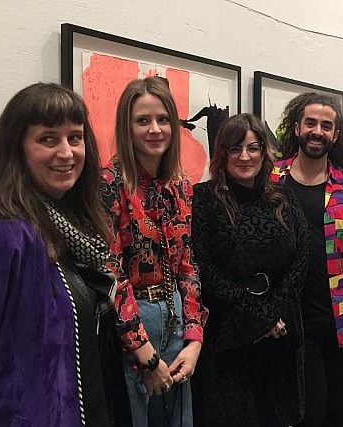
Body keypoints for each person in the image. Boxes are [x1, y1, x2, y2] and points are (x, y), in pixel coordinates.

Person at [0, 82, 131, 426]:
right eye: (48, 139)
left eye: (75, 138)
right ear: (17, 148)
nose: (66, 152)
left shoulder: (70, 226)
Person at [100, 77, 209, 427]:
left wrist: (194, 338)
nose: (155, 129)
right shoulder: (109, 184)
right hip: (133, 322)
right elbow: (111, 275)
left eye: (163, 119)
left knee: (179, 416)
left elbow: (188, 265)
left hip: (176, 314)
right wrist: (144, 356)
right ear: (126, 126)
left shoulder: (180, 186)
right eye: (142, 120)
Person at [190, 113, 310, 427]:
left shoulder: (282, 196)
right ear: (222, 153)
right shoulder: (203, 199)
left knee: (278, 415)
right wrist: (258, 318)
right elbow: (201, 265)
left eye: (253, 148)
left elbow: (301, 258)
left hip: (281, 329)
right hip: (229, 332)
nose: (245, 157)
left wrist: (273, 314)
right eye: (235, 148)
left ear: (264, 152)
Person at [269, 92, 343, 427]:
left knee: (337, 408)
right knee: (306, 412)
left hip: (340, 318)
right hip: (288, 319)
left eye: (327, 125)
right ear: (297, 127)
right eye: (311, 123)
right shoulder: (271, 180)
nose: (318, 131)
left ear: (335, 135)